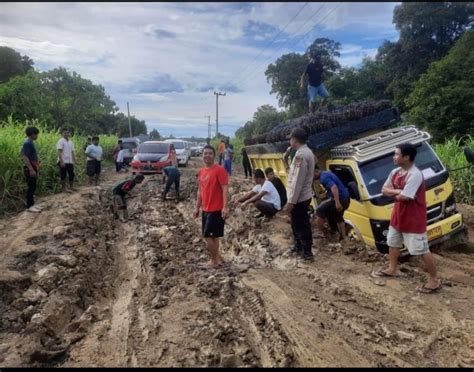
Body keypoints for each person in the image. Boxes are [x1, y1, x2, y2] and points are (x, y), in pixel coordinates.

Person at [373, 143, 441, 293]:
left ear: (406, 157)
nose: (394, 157)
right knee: (393, 243)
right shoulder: (395, 172)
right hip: (398, 216)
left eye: (396, 154)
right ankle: (392, 268)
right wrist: (398, 190)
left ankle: (434, 279)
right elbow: (384, 190)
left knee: (422, 249)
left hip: (413, 219)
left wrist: (396, 192)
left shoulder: (415, 174)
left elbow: (404, 197)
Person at [193, 145, 229, 269]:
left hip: (216, 209)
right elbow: (200, 192)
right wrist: (197, 208)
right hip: (205, 209)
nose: (207, 155)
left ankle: (214, 261)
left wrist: (225, 207)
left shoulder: (219, 170)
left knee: (208, 235)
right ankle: (216, 259)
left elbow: (225, 189)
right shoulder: (201, 172)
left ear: (214, 155)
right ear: (202, 155)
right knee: (213, 236)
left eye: (210, 153)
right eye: (205, 153)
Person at [285, 128, 315, 261]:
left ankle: (307, 252)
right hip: (303, 196)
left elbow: (297, 180)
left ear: (295, 140)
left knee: (301, 224)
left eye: (290, 138)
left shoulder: (300, 156)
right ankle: (298, 246)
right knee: (297, 223)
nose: (290, 141)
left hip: (299, 198)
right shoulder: (305, 152)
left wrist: (291, 201)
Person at [313, 166, 351, 241]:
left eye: (312, 176)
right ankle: (343, 236)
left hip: (341, 199)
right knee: (337, 215)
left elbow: (334, 187)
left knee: (319, 210)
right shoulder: (327, 173)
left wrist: (337, 202)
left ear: (316, 172)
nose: (312, 178)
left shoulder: (323, 178)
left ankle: (321, 234)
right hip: (346, 198)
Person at [21, 126, 41, 213]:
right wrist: (31, 169)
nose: (37, 136)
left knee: (33, 186)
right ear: (32, 134)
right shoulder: (27, 143)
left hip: (33, 166)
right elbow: (25, 157)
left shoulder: (30, 142)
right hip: (30, 167)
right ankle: (29, 206)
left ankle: (32, 204)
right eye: (36, 134)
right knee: (31, 186)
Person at [57, 127, 77, 192]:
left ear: (69, 133)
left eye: (67, 133)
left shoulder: (71, 142)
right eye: (64, 133)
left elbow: (72, 152)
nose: (66, 134)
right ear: (62, 134)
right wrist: (61, 162)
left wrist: (74, 160)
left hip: (70, 161)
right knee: (63, 175)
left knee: (71, 174)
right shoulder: (61, 141)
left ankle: (71, 187)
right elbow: (59, 152)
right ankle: (63, 188)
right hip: (63, 161)